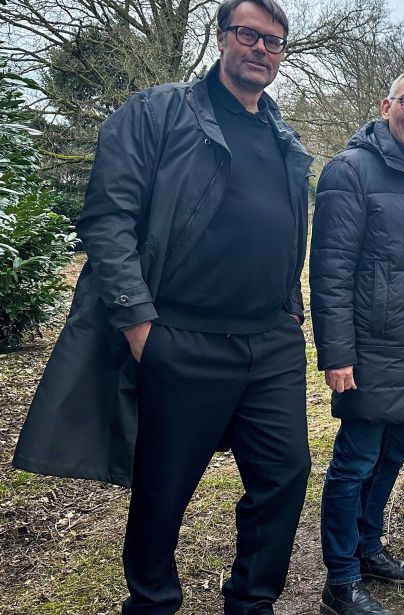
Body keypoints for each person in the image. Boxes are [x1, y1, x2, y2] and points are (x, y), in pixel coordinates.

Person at [13, 1, 313, 612]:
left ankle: (253, 602)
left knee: (285, 478)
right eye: (249, 36)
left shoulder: (284, 135)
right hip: (181, 336)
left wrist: (291, 312)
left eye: (275, 42)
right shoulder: (157, 112)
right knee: (164, 488)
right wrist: (141, 326)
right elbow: (107, 219)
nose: (261, 50)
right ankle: (151, 602)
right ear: (222, 37)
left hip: (270, 340)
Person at [310, 68, 404, 615]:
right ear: (386, 106)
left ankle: (369, 548)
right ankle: (341, 579)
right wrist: (338, 354)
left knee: (393, 454)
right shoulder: (350, 171)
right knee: (355, 462)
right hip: (371, 347)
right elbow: (329, 271)